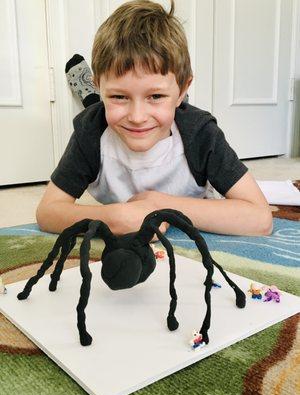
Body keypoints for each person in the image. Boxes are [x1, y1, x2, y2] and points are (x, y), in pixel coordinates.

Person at [36, 0, 272, 237]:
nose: (137, 117)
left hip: (171, 115)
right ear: (101, 85)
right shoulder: (90, 131)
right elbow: (47, 212)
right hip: (106, 112)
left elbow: (261, 219)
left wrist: (159, 204)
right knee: (101, 112)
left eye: (156, 95)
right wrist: (113, 218)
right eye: (119, 95)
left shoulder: (200, 133)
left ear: (182, 90)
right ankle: (96, 95)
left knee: (129, 113)